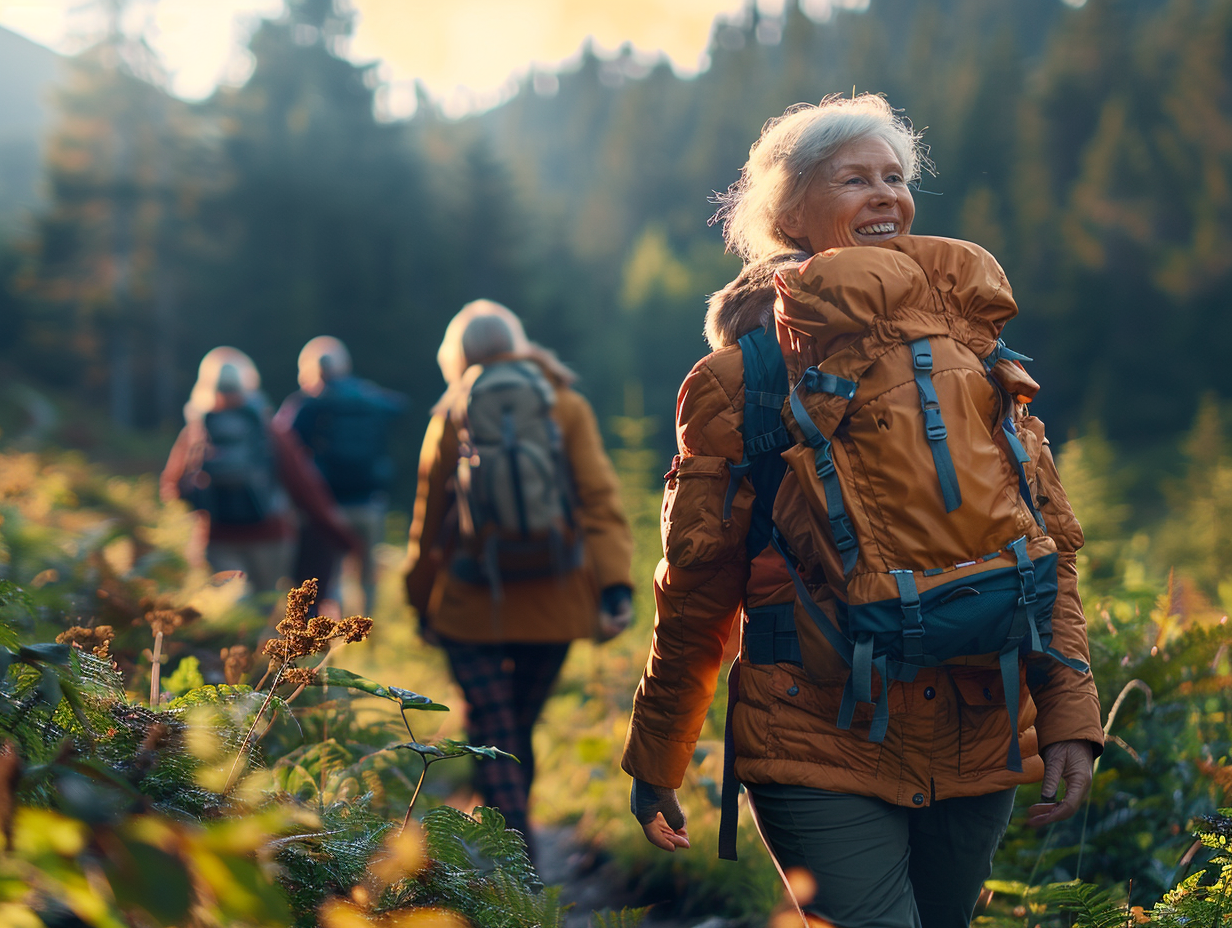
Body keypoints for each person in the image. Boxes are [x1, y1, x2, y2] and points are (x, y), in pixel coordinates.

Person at [620, 94, 1104, 928]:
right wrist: (661, 745)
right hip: (815, 735)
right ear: (791, 211)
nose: (886, 194)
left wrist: (1069, 711)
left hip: (975, 725)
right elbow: (698, 582)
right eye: (855, 178)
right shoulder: (741, 382)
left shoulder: (980, 355)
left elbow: (1045, 541)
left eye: (895, 176)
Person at [403, 299, 634, 857]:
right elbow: (598, 500)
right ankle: (515, 859)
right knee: (514, 729)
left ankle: (516, 869)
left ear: (455, 356)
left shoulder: (452, 413)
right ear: (520, 343)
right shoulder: (565, 405)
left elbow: (429, 523)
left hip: (470, 603)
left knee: (493, 732)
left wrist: (418, 601)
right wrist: (615, 586)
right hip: (555, 601)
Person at [161, 346, 357, 600]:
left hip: (218, 537)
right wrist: (339, 534)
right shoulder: (269, 430)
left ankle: (233, 642)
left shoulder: (197, 431)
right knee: (266, 609)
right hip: (271, 534)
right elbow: (303, 484)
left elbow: (172, 486)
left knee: (230, 613)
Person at [277, 336, 406, 617]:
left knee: (327, 574)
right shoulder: (369, 397)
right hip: (369, 500)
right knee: (367, 574)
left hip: (327, 505)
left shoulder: (308, 404)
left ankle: (331, 636)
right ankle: (365, 634)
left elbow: (280, 439)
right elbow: (398, 407)